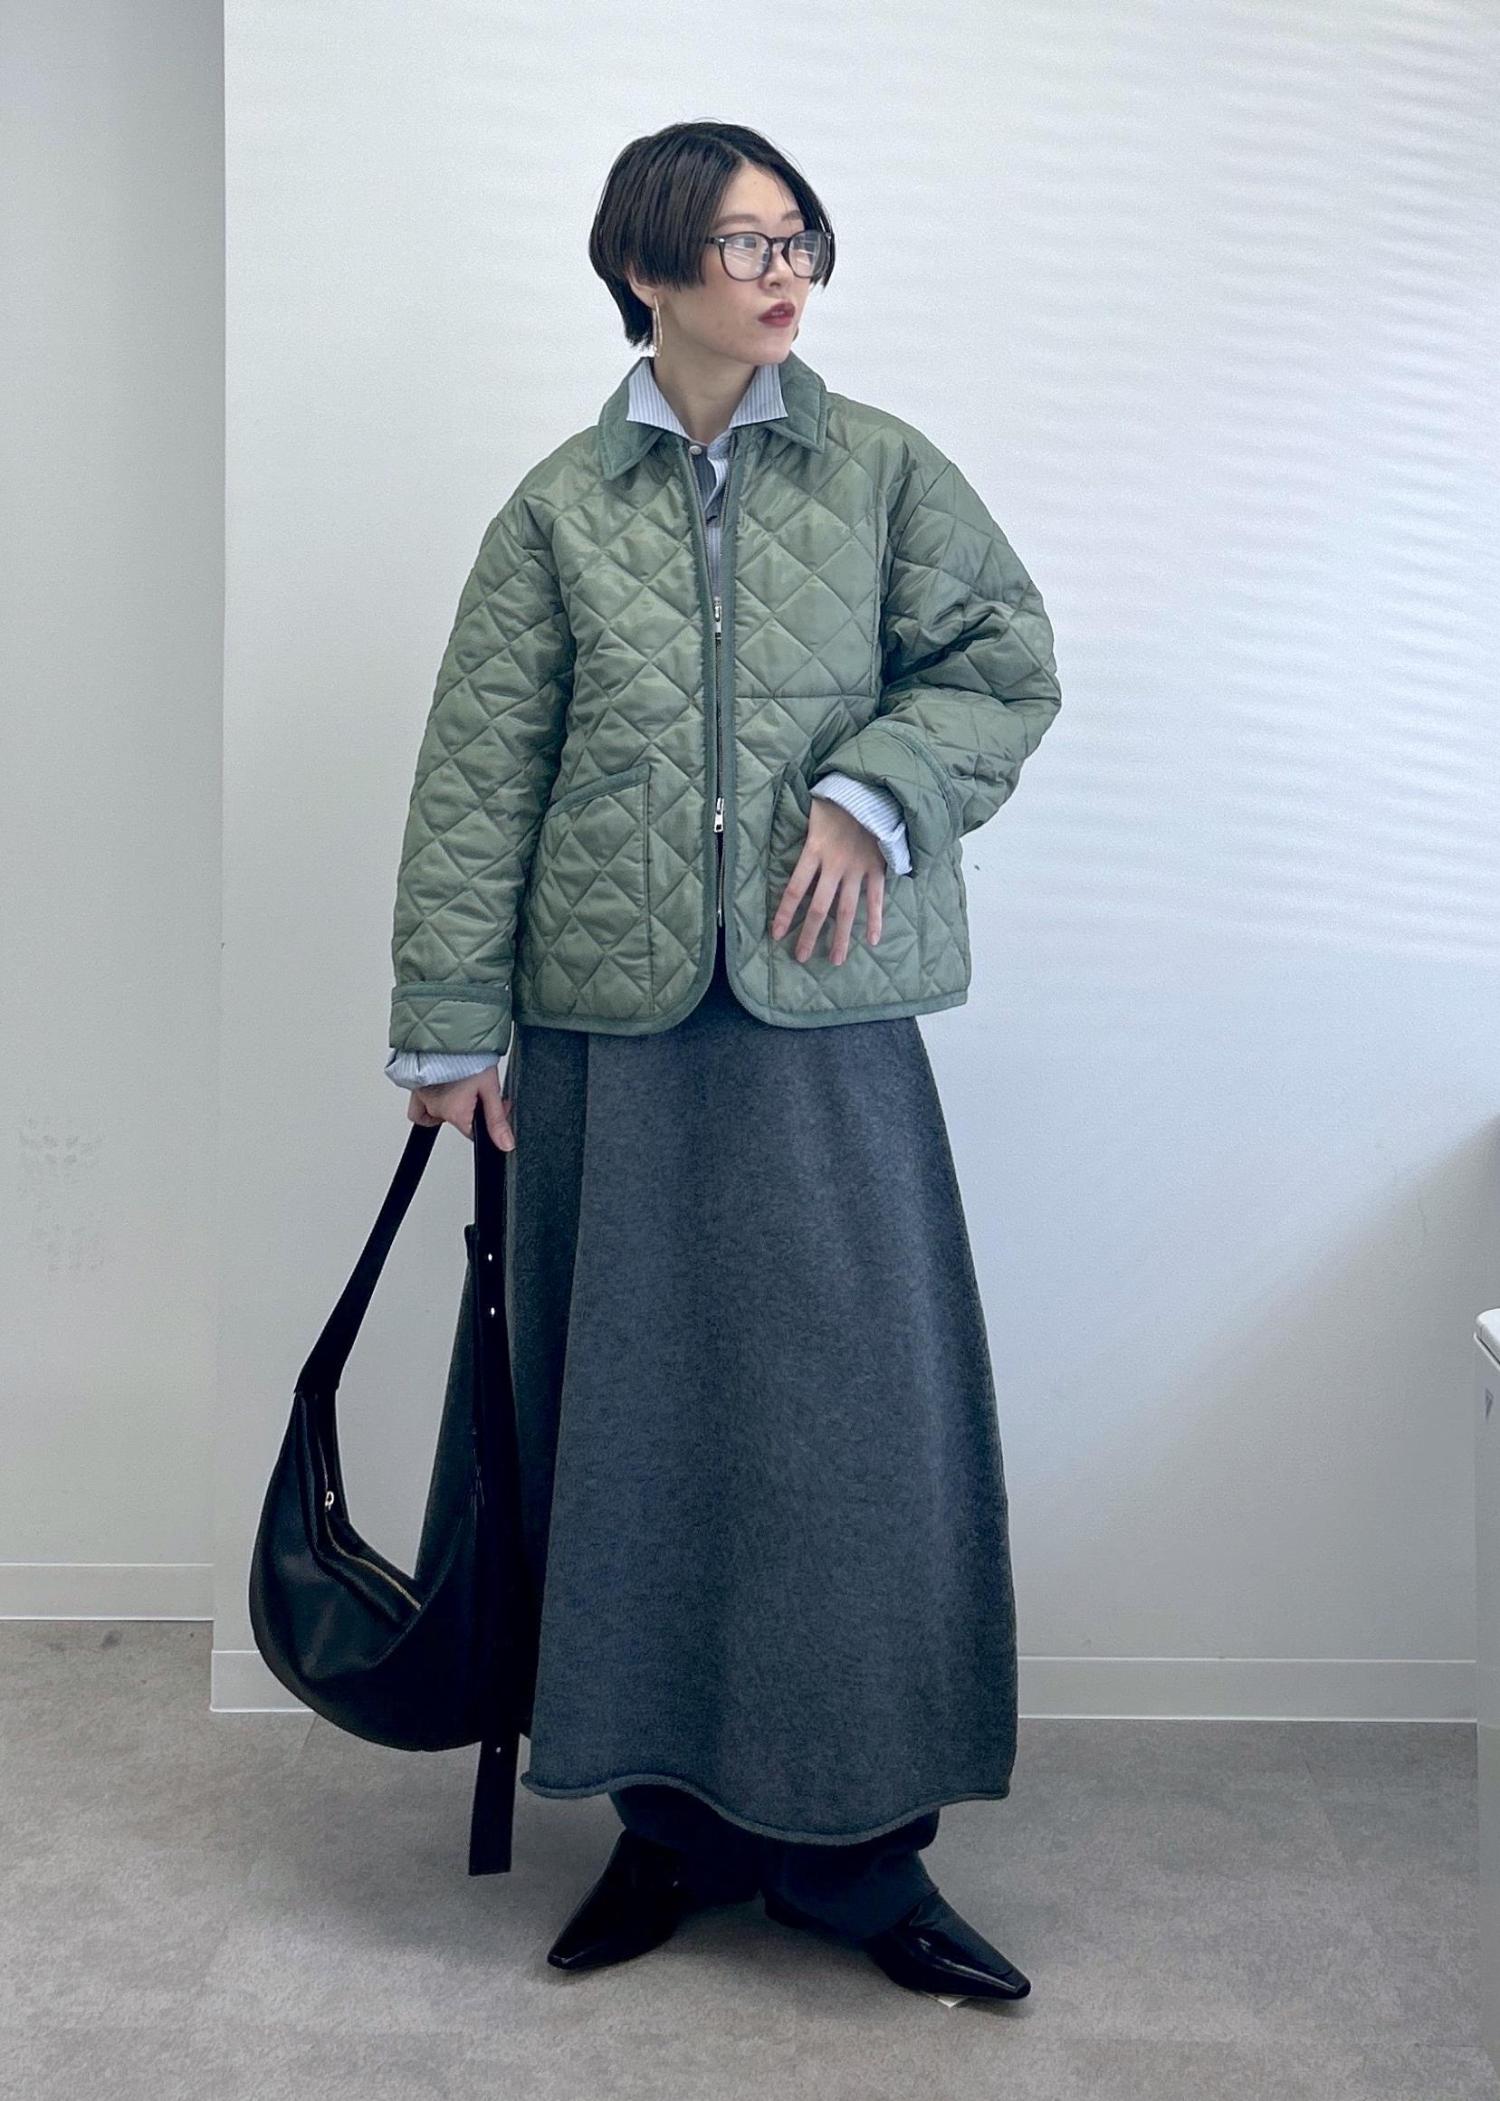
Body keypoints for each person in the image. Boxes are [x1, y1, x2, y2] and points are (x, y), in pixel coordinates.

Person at [383, 120, 1061, 2005]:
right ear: (649, 269)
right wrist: (450, 1024)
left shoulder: (884, 470)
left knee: (854, 1438)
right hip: (610, 1041)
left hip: (827, 1023)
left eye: (800, 240)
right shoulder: (555, 510)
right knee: (632, 1438)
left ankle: (860, 1857)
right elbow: (479, 777)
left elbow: (1005, 662)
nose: (785, 275)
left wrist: (875, 791)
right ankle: (666, 1827)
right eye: (748, 243)